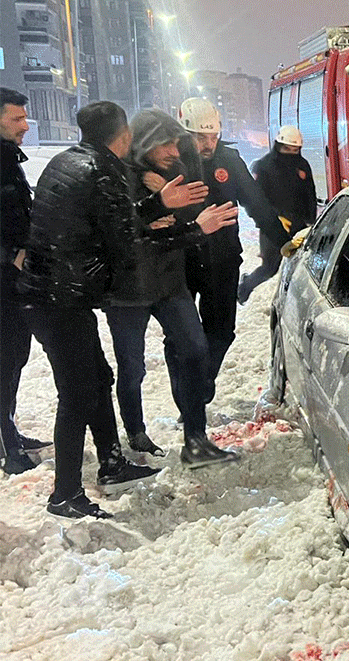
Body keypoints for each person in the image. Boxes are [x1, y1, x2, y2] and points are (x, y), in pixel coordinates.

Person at [18, 100, 237, 518]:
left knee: (105, 377)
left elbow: (120, 225)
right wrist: (189, 227)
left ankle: (121, 460)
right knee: (89, 388)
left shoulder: (75, 162)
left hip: (78, 293)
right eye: (166, 143)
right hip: (76, 296)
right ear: (128, 138)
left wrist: (162, 208)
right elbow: (128, 247)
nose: (177, 149)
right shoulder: (105, 173)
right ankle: (71, 489)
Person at [105, 109, 239, 468]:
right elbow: (116, 232)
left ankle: (195, 438)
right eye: (164, 143)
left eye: (176, 143)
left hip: (169, 280)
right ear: (144, 143)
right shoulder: (116, 174)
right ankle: (135, 430)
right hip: (128, 288)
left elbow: (187, 217)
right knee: (131, 366)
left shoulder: (178, 170)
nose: (173, 150)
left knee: (195, 350)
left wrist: (179, 220)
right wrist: (151, 212)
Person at [176, 98, 279, 401]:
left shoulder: (229, 160)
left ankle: (200, 386)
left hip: (222, 259)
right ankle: (186, 396)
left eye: (213, 137)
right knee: (181, 338)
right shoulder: (170, 163)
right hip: (182, 259)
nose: (208, 144)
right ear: (184, 134)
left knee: (221, 332)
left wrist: (281, 238)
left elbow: (256, 202)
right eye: (200, 137)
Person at [0, 88, 50, 475]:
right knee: (4, 359)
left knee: (15, 356)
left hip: (13, 279)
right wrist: (11, 255)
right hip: (3, 279)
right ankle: (6, 444)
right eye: (17, 119)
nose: (25, 125)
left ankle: (8, 433)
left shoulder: (7, 160)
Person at [238, 126, 316, 303]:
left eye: (294, 150)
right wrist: (274, 218)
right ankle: (244, 288)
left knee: (300, 266)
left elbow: (309, 194)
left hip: (298, 225)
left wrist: (310, 220)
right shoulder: (263, 166)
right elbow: (257, 200)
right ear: (278, 145)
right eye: (286, 149)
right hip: (272, 225)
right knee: (270, 267)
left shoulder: (302, 166)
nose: (290, 153)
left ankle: (292, 303)